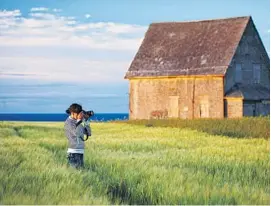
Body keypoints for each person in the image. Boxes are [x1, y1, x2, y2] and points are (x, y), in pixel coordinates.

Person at [64, 103, 91, 169]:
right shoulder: (68, 123)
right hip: (73, 152)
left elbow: (89, 133)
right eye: (78, 113)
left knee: (81, 174)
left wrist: (86, 121)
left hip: (80, 151)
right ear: (72, 113)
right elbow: (77, 133)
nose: (80, 115)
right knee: (74, 174)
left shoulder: (78, 122)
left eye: (81, 113)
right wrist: (79, 120)